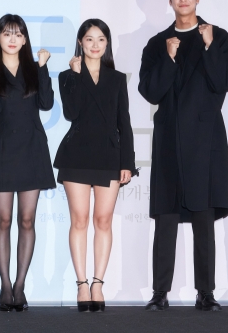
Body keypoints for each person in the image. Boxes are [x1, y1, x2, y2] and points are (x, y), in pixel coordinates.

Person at [138, 0, 228, 311]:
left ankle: (205, 293)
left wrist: (208, 47)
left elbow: (224, 81)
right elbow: (150, 90)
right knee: (165, 219)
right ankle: (160, 293)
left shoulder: (217, 36)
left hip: (205, 138)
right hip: (168, 139)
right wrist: (168, 57)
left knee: (203, 219)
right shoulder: (157, 43)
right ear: (169, 0)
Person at [0, 14, 56, 312]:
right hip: (3, 150)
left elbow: (46, 103)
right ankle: (5, 286)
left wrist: (44, 69)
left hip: (32, 148)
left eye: (18, 34)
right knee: (3, 220)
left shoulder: (35, 68)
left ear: (24, 40)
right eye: (6, 33)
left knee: (27, 220)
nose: (12, 38)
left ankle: (20, 286)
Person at [54, 19, 136, 312]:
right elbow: (71, 113)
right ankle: (81, 284)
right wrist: (76, 76)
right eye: (89, 39)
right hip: (76, 155)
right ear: (80, 43)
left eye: (101, 39)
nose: (95, 45)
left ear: (107, 44)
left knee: (103, 220)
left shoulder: (116, 78)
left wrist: (128, 161)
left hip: (108, 157)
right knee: (80, 220)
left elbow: (123, 121)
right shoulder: (67, 75)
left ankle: (98, 282)